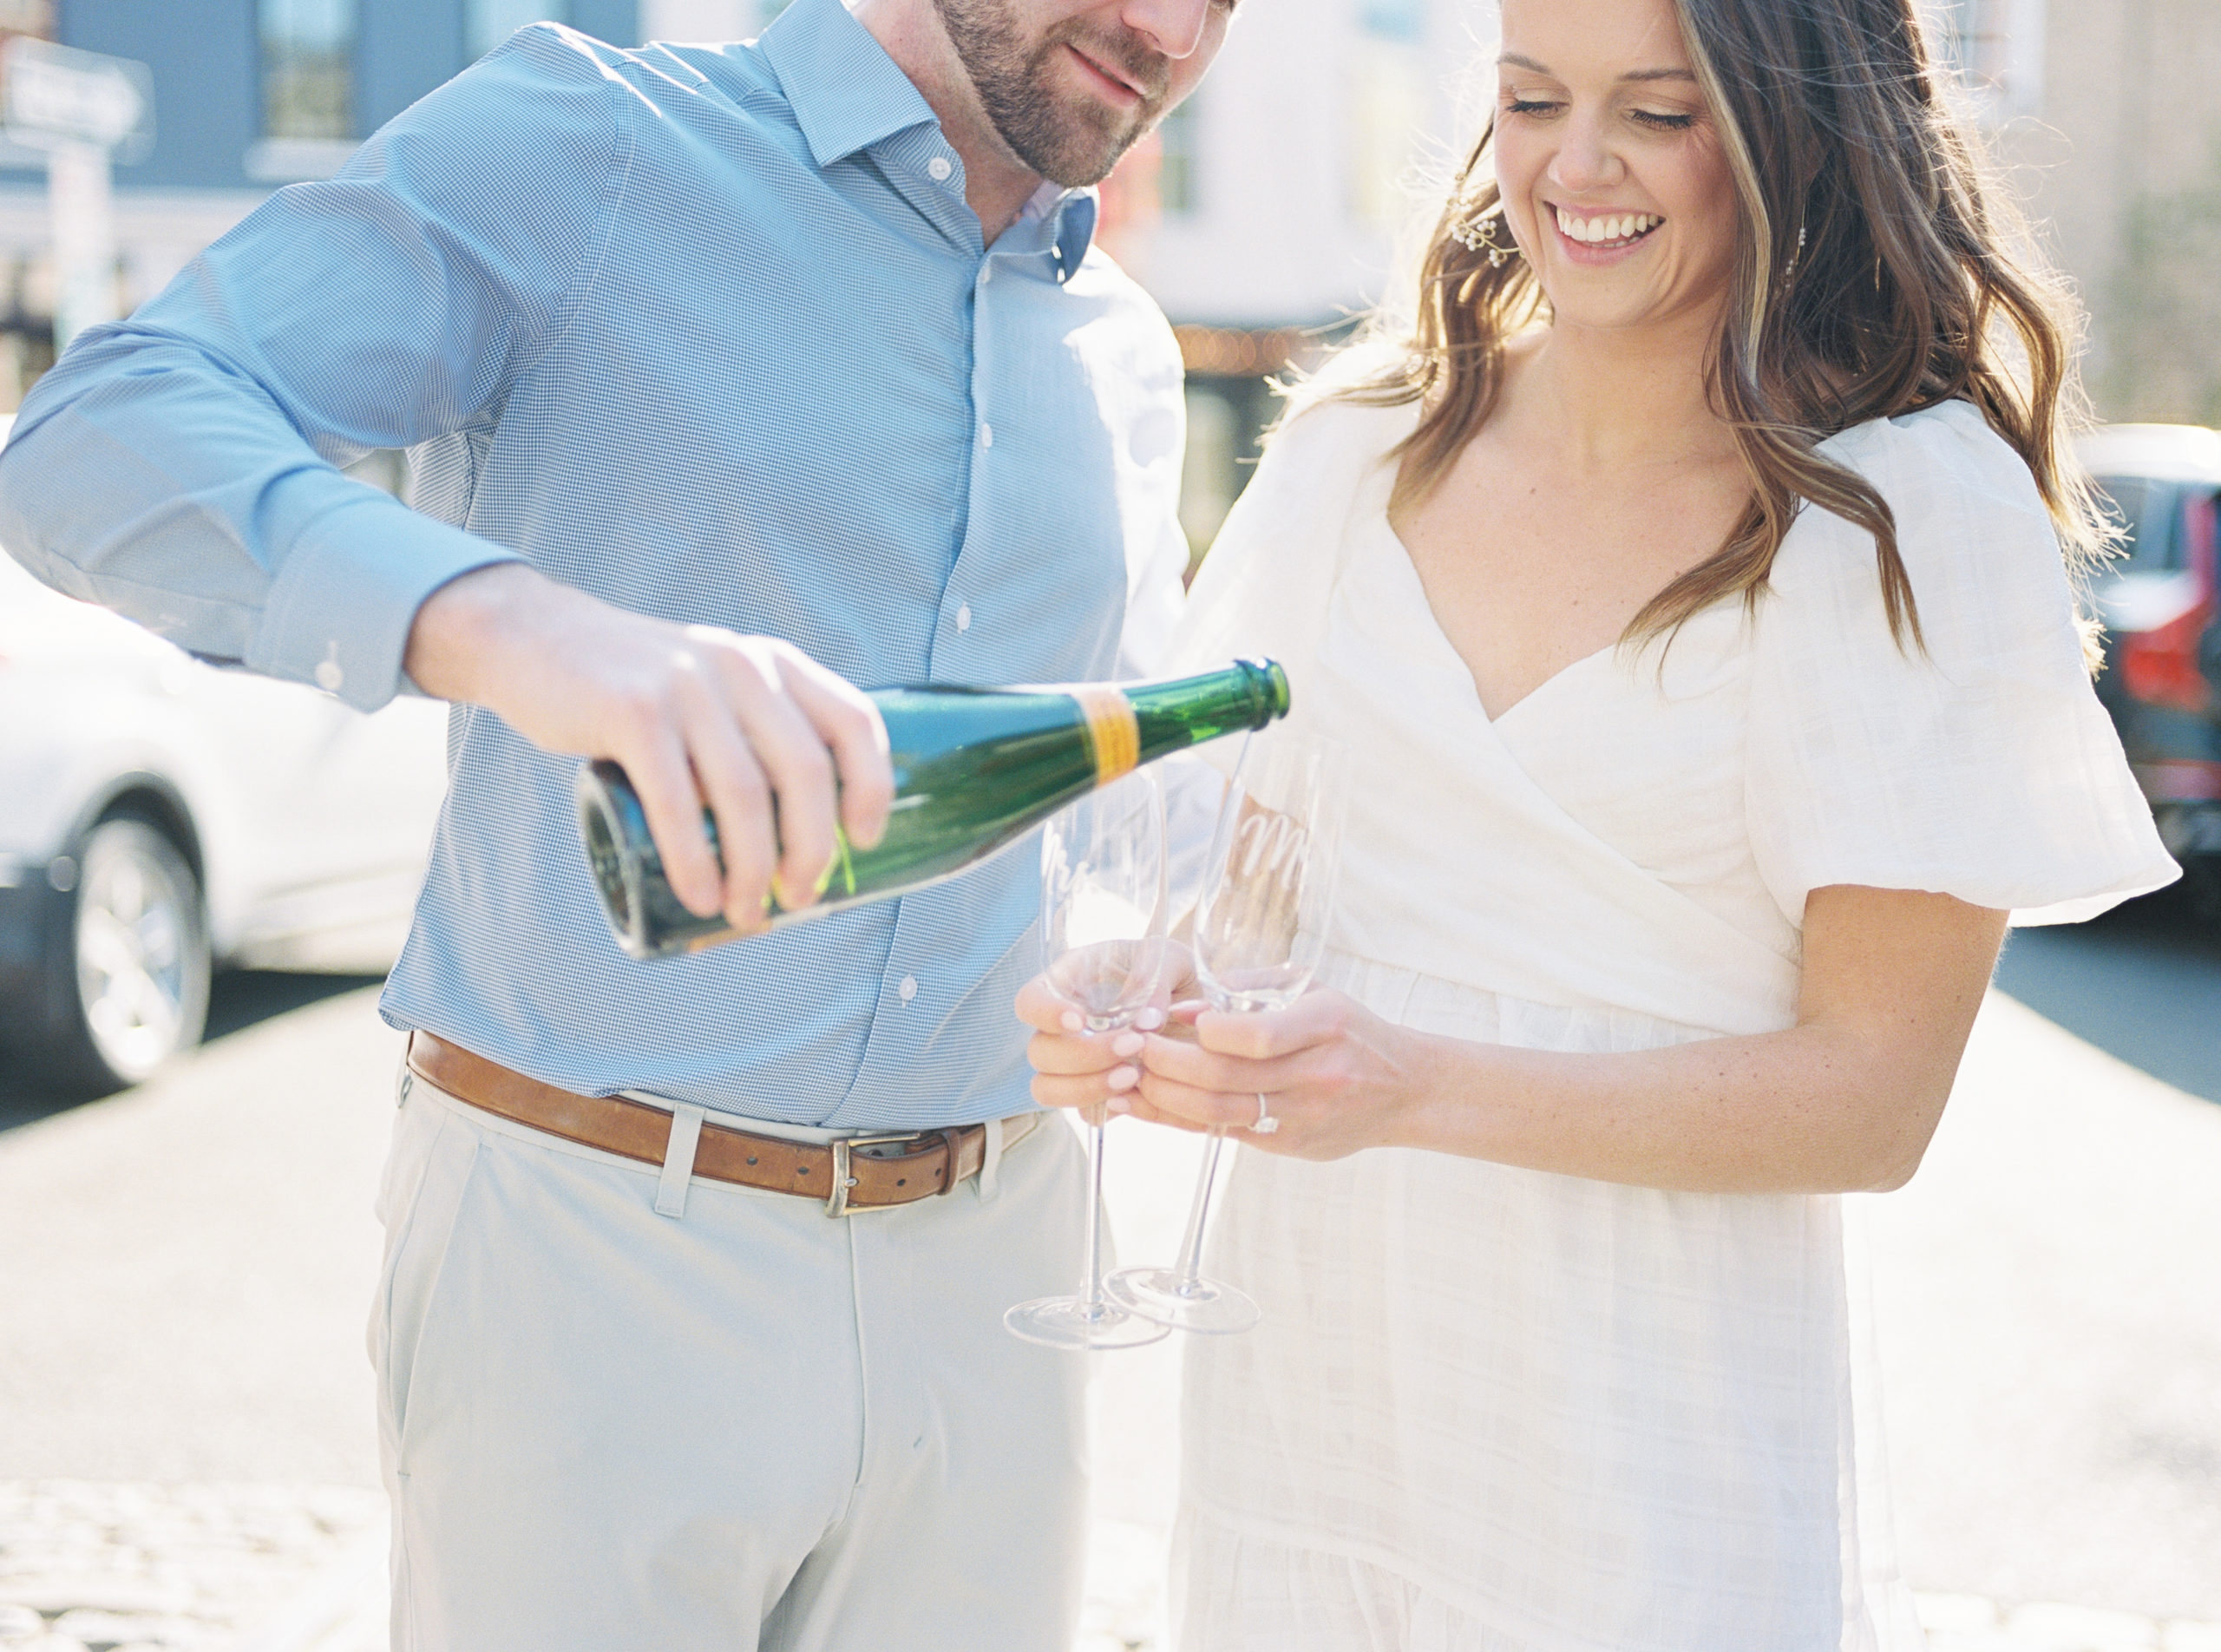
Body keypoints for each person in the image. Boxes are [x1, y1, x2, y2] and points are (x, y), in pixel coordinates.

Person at [0, 0, 1237, 1644]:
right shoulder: (592, 145)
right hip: (595, 1252)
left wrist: (1166, 944)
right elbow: (92, 438)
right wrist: (518, 629)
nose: (1171, 28)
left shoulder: (1126, 350)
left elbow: (1114, 806)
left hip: (1002, 1272)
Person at [1021, 0, 2181, 1645]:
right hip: (1310, 1397)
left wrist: (1415, 1083)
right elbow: (1256, 896)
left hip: (1644, 1447)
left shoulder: (1906, 513)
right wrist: (1138, 992)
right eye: (1530, 98)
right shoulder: (1361, 447)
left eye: (1659, 112)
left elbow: (1872, 1101)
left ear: (1799, 128)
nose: (1577, 166)